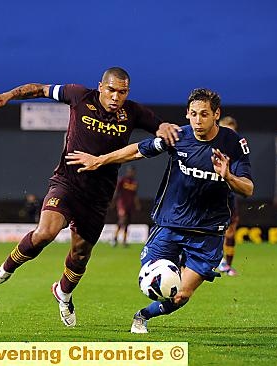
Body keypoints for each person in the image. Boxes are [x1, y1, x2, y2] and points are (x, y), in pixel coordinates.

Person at [0, 67, 180, 328]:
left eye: (123, 92)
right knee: (45, 233)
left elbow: (158, 126)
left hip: (98, 196)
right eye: (112, 90)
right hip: (67, 184)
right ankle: (1, 272)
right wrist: (7, 95)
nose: (116, 97)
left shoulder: (133, 112)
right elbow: (39, 88)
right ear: (101, 87)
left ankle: (64, 293)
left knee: (80, 255)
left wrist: (166, 127)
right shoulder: (79, 96)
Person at [65, 88, 254, 333]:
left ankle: (142, 316)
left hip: (208, 233)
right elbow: (137, 150)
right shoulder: (178, 136)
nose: (198, 120)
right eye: (193, 114)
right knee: (155, 276)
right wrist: (99, 160)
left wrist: (228, 176)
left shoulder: (233, 143)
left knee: (181, 295)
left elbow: (248, 189)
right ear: (187, 113)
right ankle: (158, 280)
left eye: (204, 114)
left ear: (216, 114)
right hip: (171, 225)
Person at [216, 116, 241, 276]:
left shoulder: (238, 150)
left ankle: (228, 265)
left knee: (231, 230)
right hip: (212, 194)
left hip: (229, 195)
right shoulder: (212, 147)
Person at [112, 165, 141, 247]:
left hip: (130, 205)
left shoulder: (135, 182)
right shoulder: (122, 180)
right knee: (122, 219)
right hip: (122, 203)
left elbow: (135, 195)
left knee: (127, 223)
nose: (131, 173)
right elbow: (117, 191)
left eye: (133, 172)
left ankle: (124, 241)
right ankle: (114, 238)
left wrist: (137, 204)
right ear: (127, 172)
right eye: (130, 171)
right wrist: (114, 202)